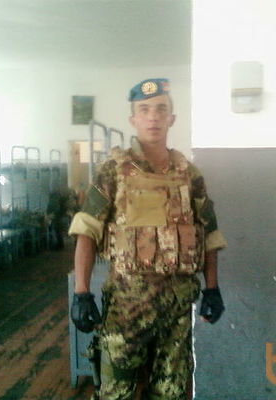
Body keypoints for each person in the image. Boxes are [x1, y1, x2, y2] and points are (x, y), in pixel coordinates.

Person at [68, 78, 227, 399]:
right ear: (133, 119)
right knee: (116, 391)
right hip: (128, 304)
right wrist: (81, 293)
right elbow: (86, 230)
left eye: (160, 109)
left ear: (172, 118)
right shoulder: (113, 170)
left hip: (177, 305)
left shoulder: (189, 174)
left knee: (170, 391)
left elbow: (208, 232)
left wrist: (212, 288)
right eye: (144, 110)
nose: (153, 116)